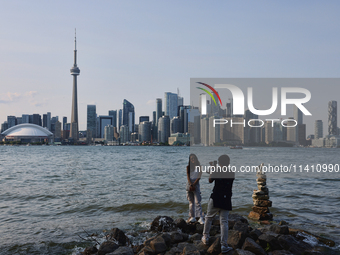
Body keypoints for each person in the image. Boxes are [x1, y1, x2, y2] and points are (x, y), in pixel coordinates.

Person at [202, 154, 235, 253]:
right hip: (226, 198)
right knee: (224, 222)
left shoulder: (217, 170)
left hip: (216, 197)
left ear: (219, 163)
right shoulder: (231, 172)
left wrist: (213, 167)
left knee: (208, 218)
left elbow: (210, 180)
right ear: (228, 163)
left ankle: (205, 237)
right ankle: (224, 245)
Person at [186, 154, 205, 224]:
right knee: (191, 202)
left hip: (196, 184)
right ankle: (192, 217)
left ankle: (200, 218)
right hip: (189, 184)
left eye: (194, 158)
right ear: (190, 160)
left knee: (197, 202)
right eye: (191, 158)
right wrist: (191, 184)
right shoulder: (188, 167)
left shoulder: (199, 167)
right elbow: (188, 176)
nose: (193, 159)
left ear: (196, 159)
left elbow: (199, 177)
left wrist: (194, 184)